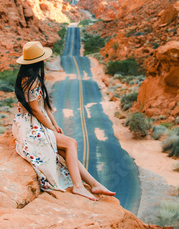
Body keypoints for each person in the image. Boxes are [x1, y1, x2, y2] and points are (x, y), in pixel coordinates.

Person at [12, 41, 115, 201]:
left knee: (66, 149)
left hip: (34, 122)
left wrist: (54, 124)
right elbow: (36, 110)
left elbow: (44, 106)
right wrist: (50, 129)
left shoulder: (30, 78)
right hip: (31, 126)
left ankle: (93, 184)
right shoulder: (32, 81)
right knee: (71, 143)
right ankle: (78, 186)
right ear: (38, 61)